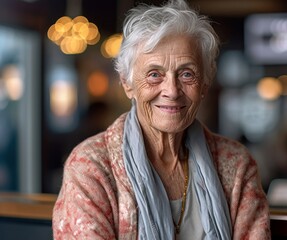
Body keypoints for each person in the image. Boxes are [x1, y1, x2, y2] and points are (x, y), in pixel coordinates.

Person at [52, 0, 270, 239]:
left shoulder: (237, 166)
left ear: (204, 85)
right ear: (127, 83)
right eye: (154, 74)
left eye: (187, 74)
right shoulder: (90, 167)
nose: (172, 90)